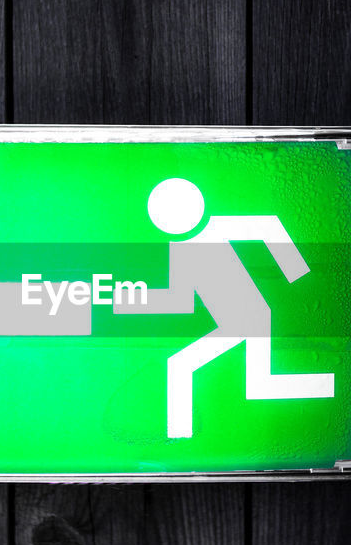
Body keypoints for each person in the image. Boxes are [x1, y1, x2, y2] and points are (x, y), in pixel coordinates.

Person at [115, 178, 334, 438]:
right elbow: (179, 300)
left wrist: (296, 270)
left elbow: (268, 227)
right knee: (259, 383)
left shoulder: (218, 227)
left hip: (247, 320)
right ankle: (327, 384)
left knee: (182, 366)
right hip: (242, 321)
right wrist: (131, 300)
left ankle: (180, 435)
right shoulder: (180, 251)